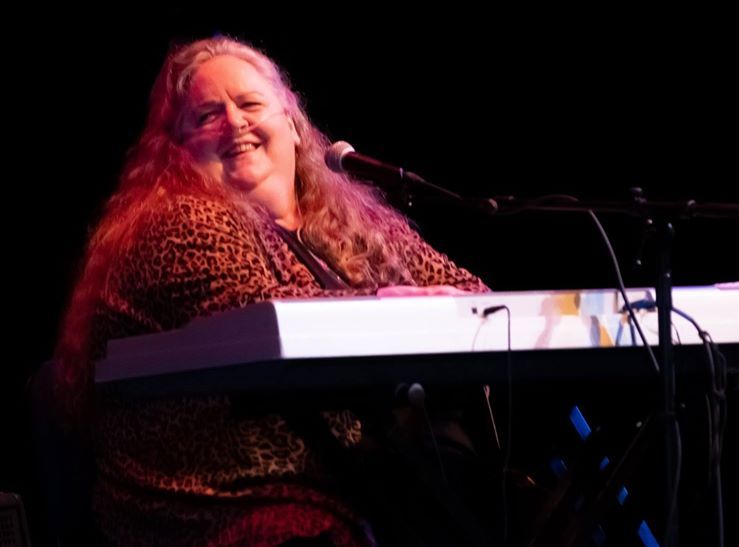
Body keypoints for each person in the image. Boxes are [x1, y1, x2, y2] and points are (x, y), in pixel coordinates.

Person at [54, 35, 489, 546]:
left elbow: (472, 295)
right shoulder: (177, 221)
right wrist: (386, 306)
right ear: (177, 151)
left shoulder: (351, 222)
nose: (234, 123)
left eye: (250, 104)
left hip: (359, 481)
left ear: (294, 125)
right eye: (207, 116)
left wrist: (441, 309)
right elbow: (258, 314)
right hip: (227, 501)